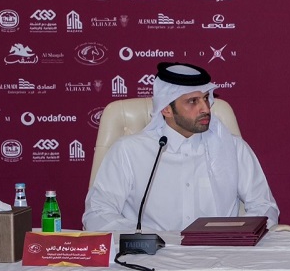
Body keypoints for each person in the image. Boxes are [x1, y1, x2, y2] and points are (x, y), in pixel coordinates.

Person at [83, 62, 279, 231]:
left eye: (205, 99)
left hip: (219, 259)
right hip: (151, 261)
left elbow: (264, 207)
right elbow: (97, 213)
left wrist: (237, 236)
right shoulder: (129, 151)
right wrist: (144, 237)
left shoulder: (234, 148)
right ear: (166, 109)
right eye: (192, 101)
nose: (205, 108)